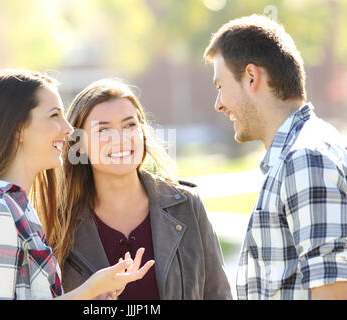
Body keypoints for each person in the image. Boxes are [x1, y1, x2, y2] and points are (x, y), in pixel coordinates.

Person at [0, 70, 154, 300]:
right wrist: (88, 290)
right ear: (19, 129)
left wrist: (93, 295)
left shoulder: (18, 207)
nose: (69, 129)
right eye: (54, 115)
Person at [203, 14, 347, 300]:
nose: (218, 104)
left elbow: (334, 292)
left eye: (220, 87)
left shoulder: (304, 159)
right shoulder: (301, 152)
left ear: (252, 77)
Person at [59, 78, 232, 300]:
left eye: (129, 125)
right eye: (103, 130)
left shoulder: (187, 205)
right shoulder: (60, 221)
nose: (121, 139)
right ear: (79, 145)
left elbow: (218, 295)